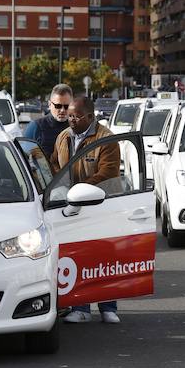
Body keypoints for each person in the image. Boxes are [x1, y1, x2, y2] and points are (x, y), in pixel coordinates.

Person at [52, 96, 122, 324]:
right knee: (76, 258)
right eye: (69, 116)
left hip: (101, 206)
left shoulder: (106, 139)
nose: (70, 119)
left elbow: (108, 173)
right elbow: (54, 164)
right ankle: (80, 308)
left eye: (75, 116)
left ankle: (108, 308)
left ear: (90, 117)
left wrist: (80, 190)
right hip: (71, 208)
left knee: (104, 259)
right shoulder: (63, 137)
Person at [24, 84, 73, 160]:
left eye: (66, 106)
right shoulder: (36, 127)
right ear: (50, 104)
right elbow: (23, 157)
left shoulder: (77, 127)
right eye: (58, 106)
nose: (62, 110)